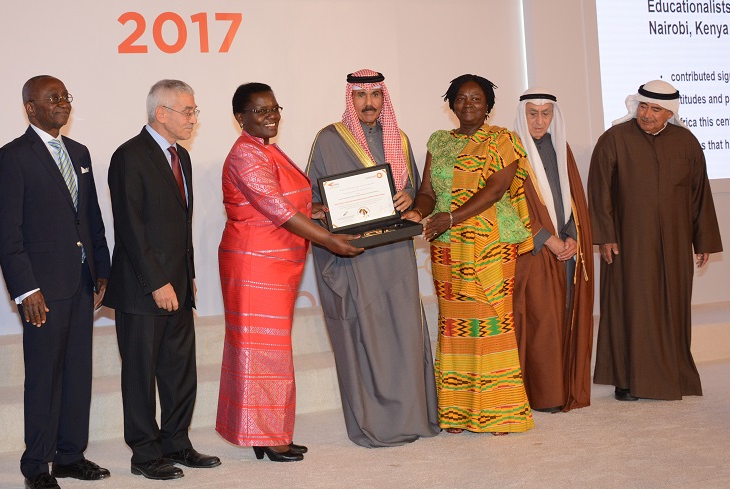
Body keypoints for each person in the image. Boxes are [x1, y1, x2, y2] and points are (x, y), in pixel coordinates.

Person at [215, 83, 362, 462]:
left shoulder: (265, 149)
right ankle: (265, 435)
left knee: (270, 349)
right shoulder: (246, 155)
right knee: (261, 350)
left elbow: (287, 201)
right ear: (240, 118)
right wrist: (331, 240)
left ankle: (270, 431)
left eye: (274, 108)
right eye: (260, 111)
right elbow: (277, 210)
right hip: (254, 264)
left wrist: (316, 212)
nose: (271, 116)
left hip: (276, 262)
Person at [0, 75, 113, 489]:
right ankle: (35, 465)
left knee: (78, 372)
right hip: (42, 290)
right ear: (30, 108)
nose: (62, 104)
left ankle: (70, 455)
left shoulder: (79, 152)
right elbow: (7, 231)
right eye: (52, 98)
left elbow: (91, 215)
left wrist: (103, 270)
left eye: (65, 97)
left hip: (81, 283)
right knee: (44, 377)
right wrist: (26, 290)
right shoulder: (12, 157)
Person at [306, 69, 440, 447]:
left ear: (385, 99)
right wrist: (323, 207)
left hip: (395, 252)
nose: (369, 103)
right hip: (356, 255)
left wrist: (410, 200)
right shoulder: (329, 138)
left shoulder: (399, 138)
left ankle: (413, 416)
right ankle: (376, 423)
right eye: (361, 95)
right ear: (351, 99)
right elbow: (308, 195)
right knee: (368, 335)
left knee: (404, 332)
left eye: (376, 95)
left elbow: (414, 190)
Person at [405, 74, 534, 435]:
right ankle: (457, 412)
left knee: (491, 324)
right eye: (460, 99)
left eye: (476, 99)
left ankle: (499, 411)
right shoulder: (439, 141)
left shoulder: (503, 140)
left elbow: (496, 190)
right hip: (447, 245)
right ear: (451, 104)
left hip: (491, 240)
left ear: (489, 106)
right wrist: (418, 212)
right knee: (455, 325)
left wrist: (451, 216)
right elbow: (428, 191)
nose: (468, 105)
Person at [105, 79, 221, 480]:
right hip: (143, 288)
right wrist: (157, 282)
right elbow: (131, 228)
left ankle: (177, 442)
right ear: (162, 113)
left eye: (194, 111)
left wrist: (187, 276)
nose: (193, 119)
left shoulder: (181, 157)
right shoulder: (128, 156)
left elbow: (180, 227)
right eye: (187, 111)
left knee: (179, 368)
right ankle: (144, 454)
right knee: (139, 372)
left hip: (177, 284)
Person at [588, 79, 723, 401]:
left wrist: (702, 239)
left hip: (675, 243)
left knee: (672, 305)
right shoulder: (614, 139)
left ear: (669, 113)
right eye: (643, 106)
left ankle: (673, 373)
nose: (647, 114)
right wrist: (605, 237)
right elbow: (599, 190)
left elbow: (699, 194)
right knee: (630, 307)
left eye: (656, 109)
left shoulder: (686, 142)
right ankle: (627, 378)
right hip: (629, 242)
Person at [511, 88, 595, 413]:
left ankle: (563, 388)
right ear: (523, 114)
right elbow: (512, 207)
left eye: (546, 113)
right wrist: (548, 238)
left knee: (565, 316)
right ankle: (544, 394)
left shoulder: (563, 148)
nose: (540, 120)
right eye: (533, 113)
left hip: (566, 250)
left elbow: (573, 198)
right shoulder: (512, 150)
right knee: (541, 322)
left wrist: (573, 236)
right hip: (534, 252)